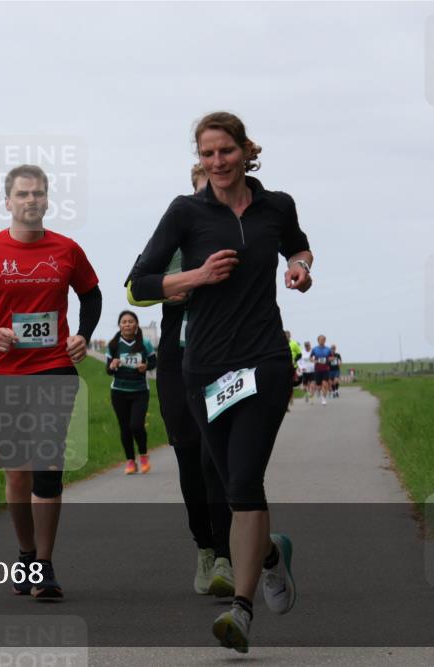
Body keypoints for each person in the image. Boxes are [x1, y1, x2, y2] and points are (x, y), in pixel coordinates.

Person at [128, 112, 314, 652]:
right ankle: (272, 555)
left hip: (263, 361)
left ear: (245, 149)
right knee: (231, 488)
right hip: (204, 368)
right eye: (207, 155)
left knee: (243, 481)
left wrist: (300, 267)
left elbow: (299, 245)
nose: (217, 163)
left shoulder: (277, 205)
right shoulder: (185, 212)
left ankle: (242, 610)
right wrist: (196, 276)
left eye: (225, 151)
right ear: (199, 158)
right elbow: (139, 284)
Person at [0, 164, 102, 600]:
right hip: (2, 374)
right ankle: (24, 552)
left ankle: (45, 565)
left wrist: (83, 335)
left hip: (54, 368)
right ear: (8, 202)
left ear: (47, 199)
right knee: (17, 476)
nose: (31, 200)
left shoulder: (66, 250)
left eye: (38, 193)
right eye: (22, 194)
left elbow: (90, 294)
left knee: (48, 467)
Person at [142, 163, 235, 597]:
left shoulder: (237, 234)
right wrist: (171, 287)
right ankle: (204, 546)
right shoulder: (175, 235)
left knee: (216, 457)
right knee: (188, 454)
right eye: (203, 190)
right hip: (178, 360)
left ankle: (226, 553)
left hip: (227, 357)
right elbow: (135, 285)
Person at [105, 310, 157, 474]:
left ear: (136, 324)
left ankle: (143, 455)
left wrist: (146, 367)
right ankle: (130, 461)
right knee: (125, 427)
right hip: (119, 391)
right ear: (120, 325)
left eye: (130, 321)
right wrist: (112, 366)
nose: (127, 324)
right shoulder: (113, 345)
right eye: (124, 322)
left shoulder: (144, 343)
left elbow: (154, 362)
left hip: (140, 391)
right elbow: (108, 370)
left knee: (136, 425)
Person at [311, 335, 333, 406]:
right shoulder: (314, 349)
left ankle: (323, 399)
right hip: (317, 369)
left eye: (323, 340)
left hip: (325, 369)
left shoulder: (328, 349)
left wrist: (329, 359)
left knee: (325, 384)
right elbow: (311, 358)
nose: (322, 341)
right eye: (320, 340)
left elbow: (332, 357)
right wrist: (314, 361)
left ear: (325, 341)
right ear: (318, 340)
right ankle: (318, 390)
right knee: (319, 386)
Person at [285, 330, 303, 408]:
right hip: (283, 368)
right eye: (285, 336)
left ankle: (289, 400)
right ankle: (286, 402)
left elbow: (300, 354)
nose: (286, 337)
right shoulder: (279, 344)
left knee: (290, 385)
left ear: (290, 336)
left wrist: (294, 360)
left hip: (293, 367)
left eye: (287, 336)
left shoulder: (294, 344)